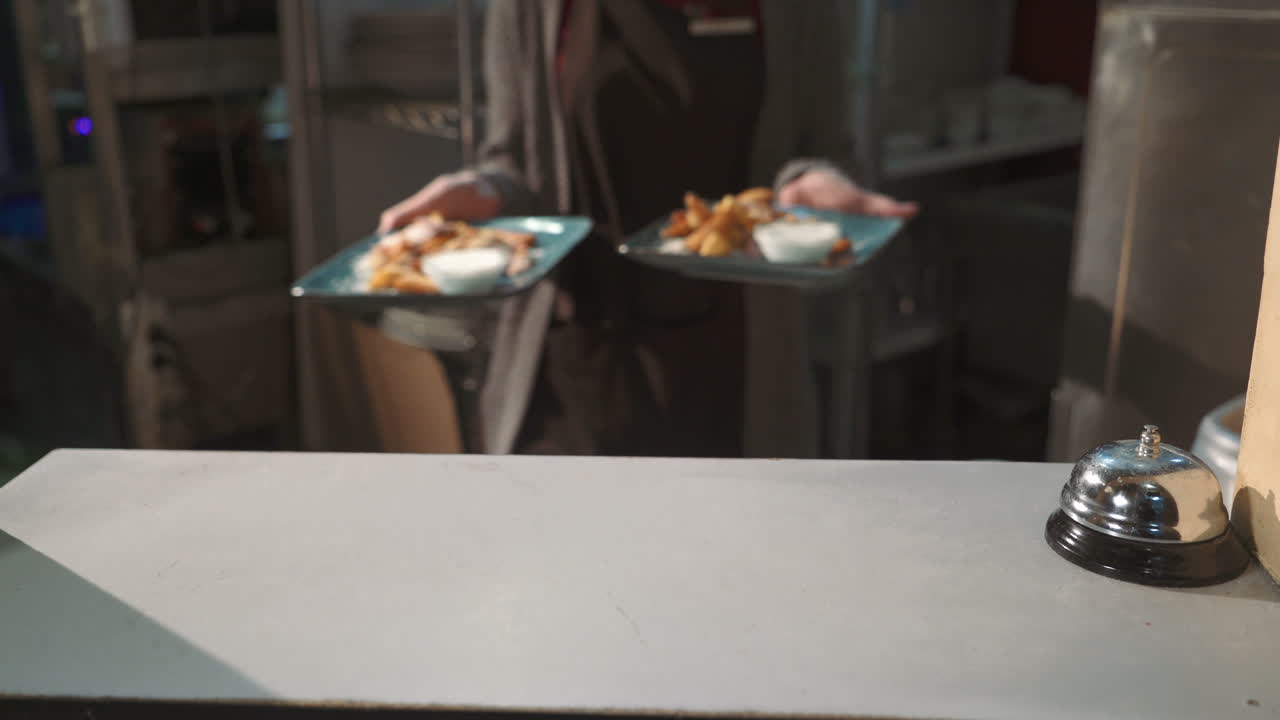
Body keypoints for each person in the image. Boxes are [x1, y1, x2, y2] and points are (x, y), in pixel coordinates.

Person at [378, 0, 917, 457]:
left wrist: (815, 187)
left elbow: (820, 146)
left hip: (739, 364)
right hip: (575, 362)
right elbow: (517, 161)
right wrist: (483, 191)